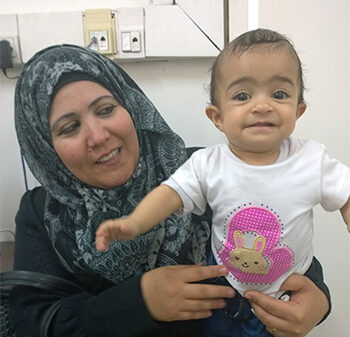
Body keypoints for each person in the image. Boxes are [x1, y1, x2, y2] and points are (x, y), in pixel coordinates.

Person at [11, 43, 330, 337]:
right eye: (70, 127)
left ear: (131, 107)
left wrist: (318, 300)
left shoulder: (205, 171)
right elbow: (31, 322)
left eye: (106, 109)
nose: (98, 136)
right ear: (44, 147)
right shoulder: (42, 214)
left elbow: (281, 244)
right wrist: (137, 301)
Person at [95, 29, 350, 336]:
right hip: (225, 287)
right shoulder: (208, 164)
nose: (262, 105)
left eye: (279, 94)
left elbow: (345, 193)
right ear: (217, 116)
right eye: (243, 96)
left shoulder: (312, 160)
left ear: (298, 111)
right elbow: (171, 193)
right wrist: (134, 223)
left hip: (287, 292)